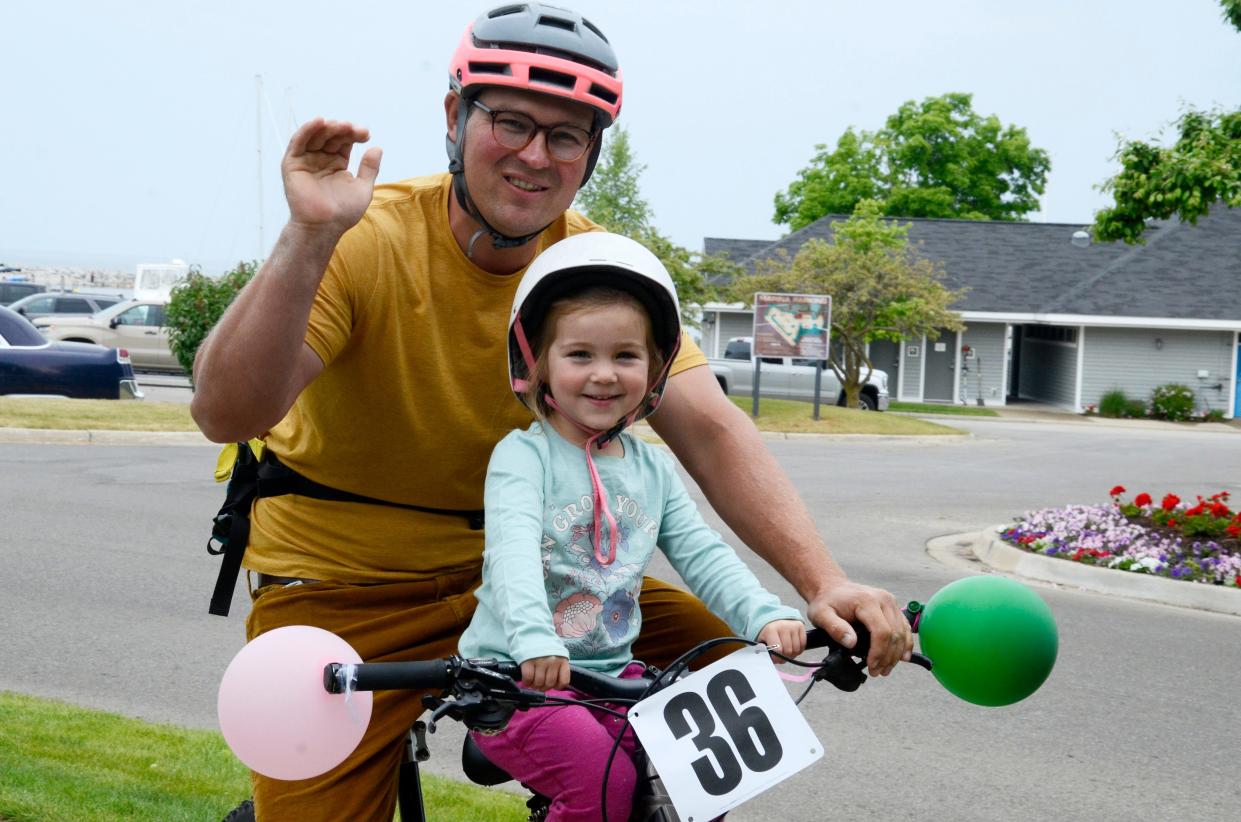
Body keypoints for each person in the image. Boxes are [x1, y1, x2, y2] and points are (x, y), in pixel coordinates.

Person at [191, 4, 912, 819]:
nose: (536, 155)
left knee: (731, 664)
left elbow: (710, 431)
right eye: (510, 122)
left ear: (592, 153)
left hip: (538, 578)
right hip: (345, 582)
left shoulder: (592, 271)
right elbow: (224, 411)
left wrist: (820, 582)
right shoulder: (365, 237)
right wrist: (306, 235)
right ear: (454, 119)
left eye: (567, 135)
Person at [458, 231, 808, 821]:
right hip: (515, 680)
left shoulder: (654, 467)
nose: (604, 374)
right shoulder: (525, 457)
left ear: (656, 367)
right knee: (604, 787)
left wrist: (763, 613)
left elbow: (701, 551)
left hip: (614, 679)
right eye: (579, 355)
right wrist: (533, 639)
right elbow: (512, 555)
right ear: (537, 362)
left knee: (698, 782)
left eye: (625, 355)